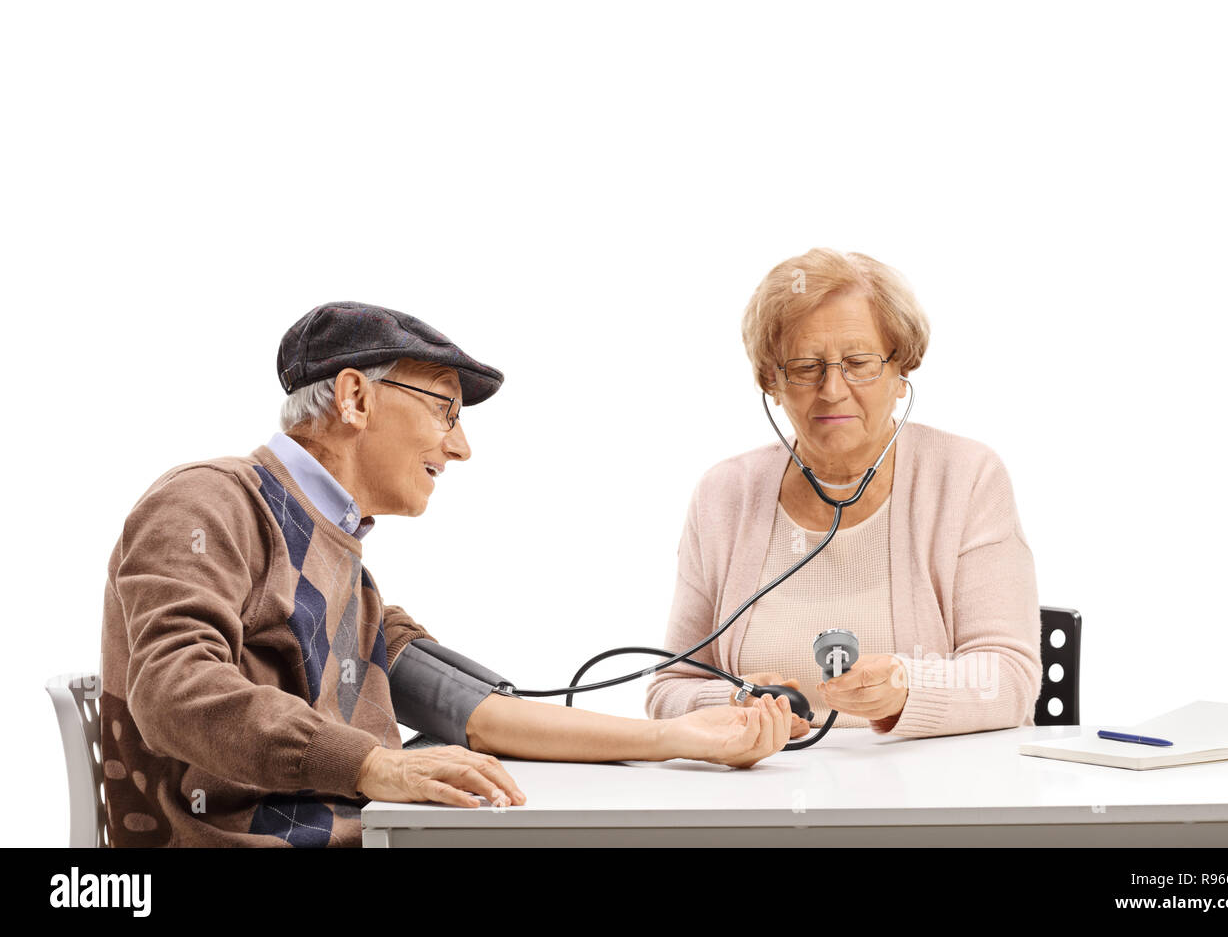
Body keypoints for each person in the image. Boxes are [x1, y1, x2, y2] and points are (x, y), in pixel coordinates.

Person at [99, 301, 792, 847]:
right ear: (355, 398)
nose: (461, 447)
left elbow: (478, 718)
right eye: (444, 409)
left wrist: (683, 738)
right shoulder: (210, 502)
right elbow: (173, 689)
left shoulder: (347, 571)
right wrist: (374, 766)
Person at [646, 248, 1042, 740]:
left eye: (859, 363)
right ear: (771, 381)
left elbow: (1009, 678)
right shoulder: (723, 495)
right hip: (761, 795)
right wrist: (734, 697)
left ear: (902, 372)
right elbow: (669, 689)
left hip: (928, 796)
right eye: (805, 367)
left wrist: (906, 687)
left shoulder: (967, 478)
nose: (833, 389)